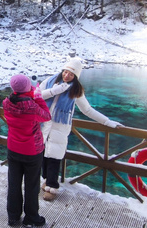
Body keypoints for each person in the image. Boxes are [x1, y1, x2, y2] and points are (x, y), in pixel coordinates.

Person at [39, 57, 123, 201]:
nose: (67, 75)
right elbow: (37, 96)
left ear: (75, 77)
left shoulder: (76, 90)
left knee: (54, 157)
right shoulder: (49, 81)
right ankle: (45, 180)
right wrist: (54, 91)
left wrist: (107, 122)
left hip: (60, 127)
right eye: (65, 72)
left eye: (71, 74)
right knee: (43, 156)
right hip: (43, 124)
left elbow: (88, 110)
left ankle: (52, 187)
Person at [3, 74, 52, 227]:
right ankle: (31, 217)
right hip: (32, 150)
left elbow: (20, 100)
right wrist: (38, 97)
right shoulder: (31, 105)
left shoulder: (6, 102)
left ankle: (13, 216)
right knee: (31, 185)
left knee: (14, 183)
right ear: (27, 88)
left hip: (13, 148)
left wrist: (29, 92)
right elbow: (46, 116)